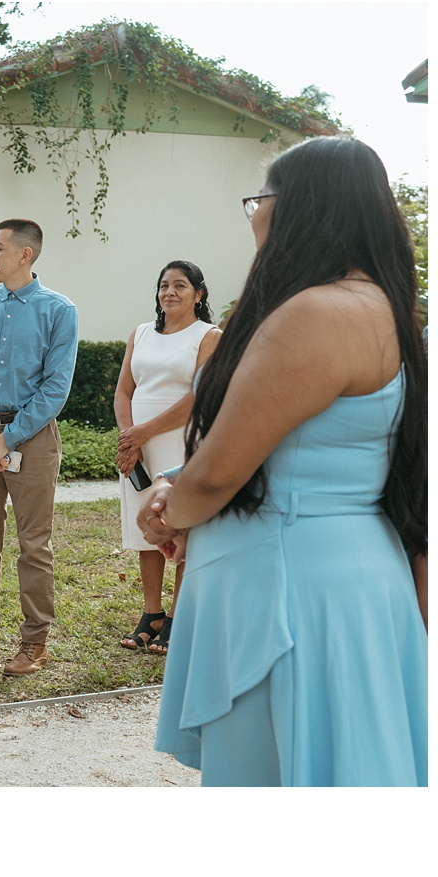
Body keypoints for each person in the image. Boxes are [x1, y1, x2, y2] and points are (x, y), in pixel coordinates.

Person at [139, 136, 427, 786]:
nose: (254, 215)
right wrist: (183, 487)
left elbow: (219, 471)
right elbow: (296, 446)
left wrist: (170, 507)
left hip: (294, 596)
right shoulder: (377, 304)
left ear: (303, 206)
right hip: (334, 580)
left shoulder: (317, 313)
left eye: (259, 198)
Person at [0, 218, 78, 675]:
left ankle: (33, 644)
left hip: (33, 442)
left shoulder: (60, 311)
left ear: (25, 254)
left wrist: (8, 438)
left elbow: (55, 388)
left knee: (34, 546)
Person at [115, 261, 221, 654]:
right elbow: (124, 391)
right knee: (146, 530)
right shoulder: (140, 334)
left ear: (199, 293)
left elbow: (199, 398)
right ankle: (152, 613)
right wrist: (130, 439)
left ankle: (179, 615)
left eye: (180, 285)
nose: (169, 292)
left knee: (178, 526)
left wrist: (144, 431)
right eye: (163, 285)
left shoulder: (208, 336)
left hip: (181, 442)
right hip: (139, 447)